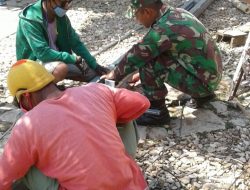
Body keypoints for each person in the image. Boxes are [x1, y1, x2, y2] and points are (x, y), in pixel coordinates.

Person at [0, 59, 149, 190]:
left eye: (21, 104)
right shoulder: (96, 90)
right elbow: (142, 103)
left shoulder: (27, 124)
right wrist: (103, 117)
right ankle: (120, 161)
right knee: (122, 112)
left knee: (23, 163)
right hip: (133, 185)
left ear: (26, 96)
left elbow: (3, 177)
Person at [102, 0, 223, 126]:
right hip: (211, 77)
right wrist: (140, 75)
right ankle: (203, 97)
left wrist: (113, 76)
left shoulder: (163, 29)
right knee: (154, 54)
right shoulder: (176, 13)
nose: (137, 21)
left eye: (136, 16)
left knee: (149, 62)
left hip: (203, 84)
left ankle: (157, 113)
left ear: (147, 11)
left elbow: (137, 54)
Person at [16, 0, 109, 83]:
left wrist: (95, 65)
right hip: (33, 65)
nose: (66, 6)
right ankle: (39, 93)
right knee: (61, 69)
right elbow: (42, 53)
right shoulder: (30, 19)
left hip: (56, 60)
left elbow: (76, 43)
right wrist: (72, 58)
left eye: (69, 2)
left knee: (92, 74)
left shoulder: (61, 18)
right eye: (63, 2)